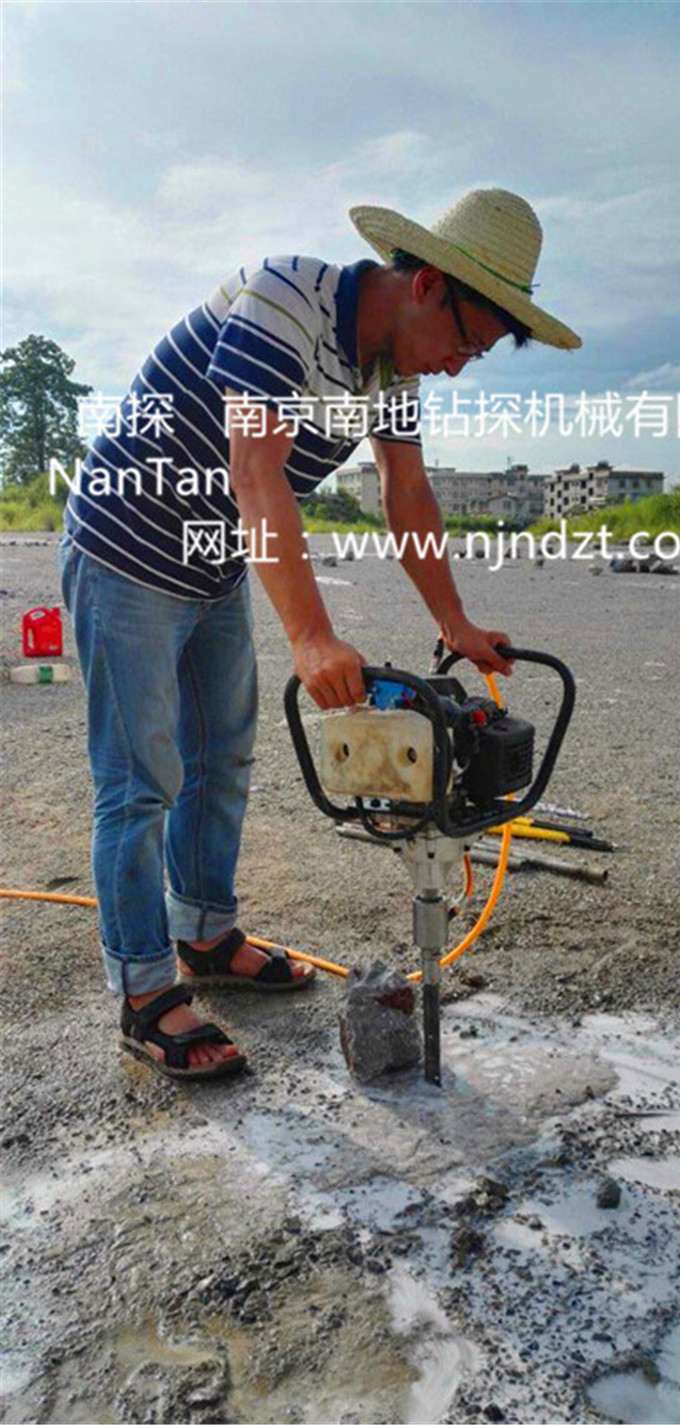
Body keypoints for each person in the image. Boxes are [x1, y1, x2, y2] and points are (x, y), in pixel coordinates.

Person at [59, 187, 581, 1081]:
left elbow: (406, 493)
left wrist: (454, 622)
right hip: (126, 550)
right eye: (466, 342)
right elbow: (255, 471)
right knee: (141, 780)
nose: (458, 368)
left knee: (222, 757)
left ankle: (204, 933)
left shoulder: (390, 374)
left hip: (215, 563)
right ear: (427, 286)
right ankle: (143, 994)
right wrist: (311, 637)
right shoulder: (284, 298)